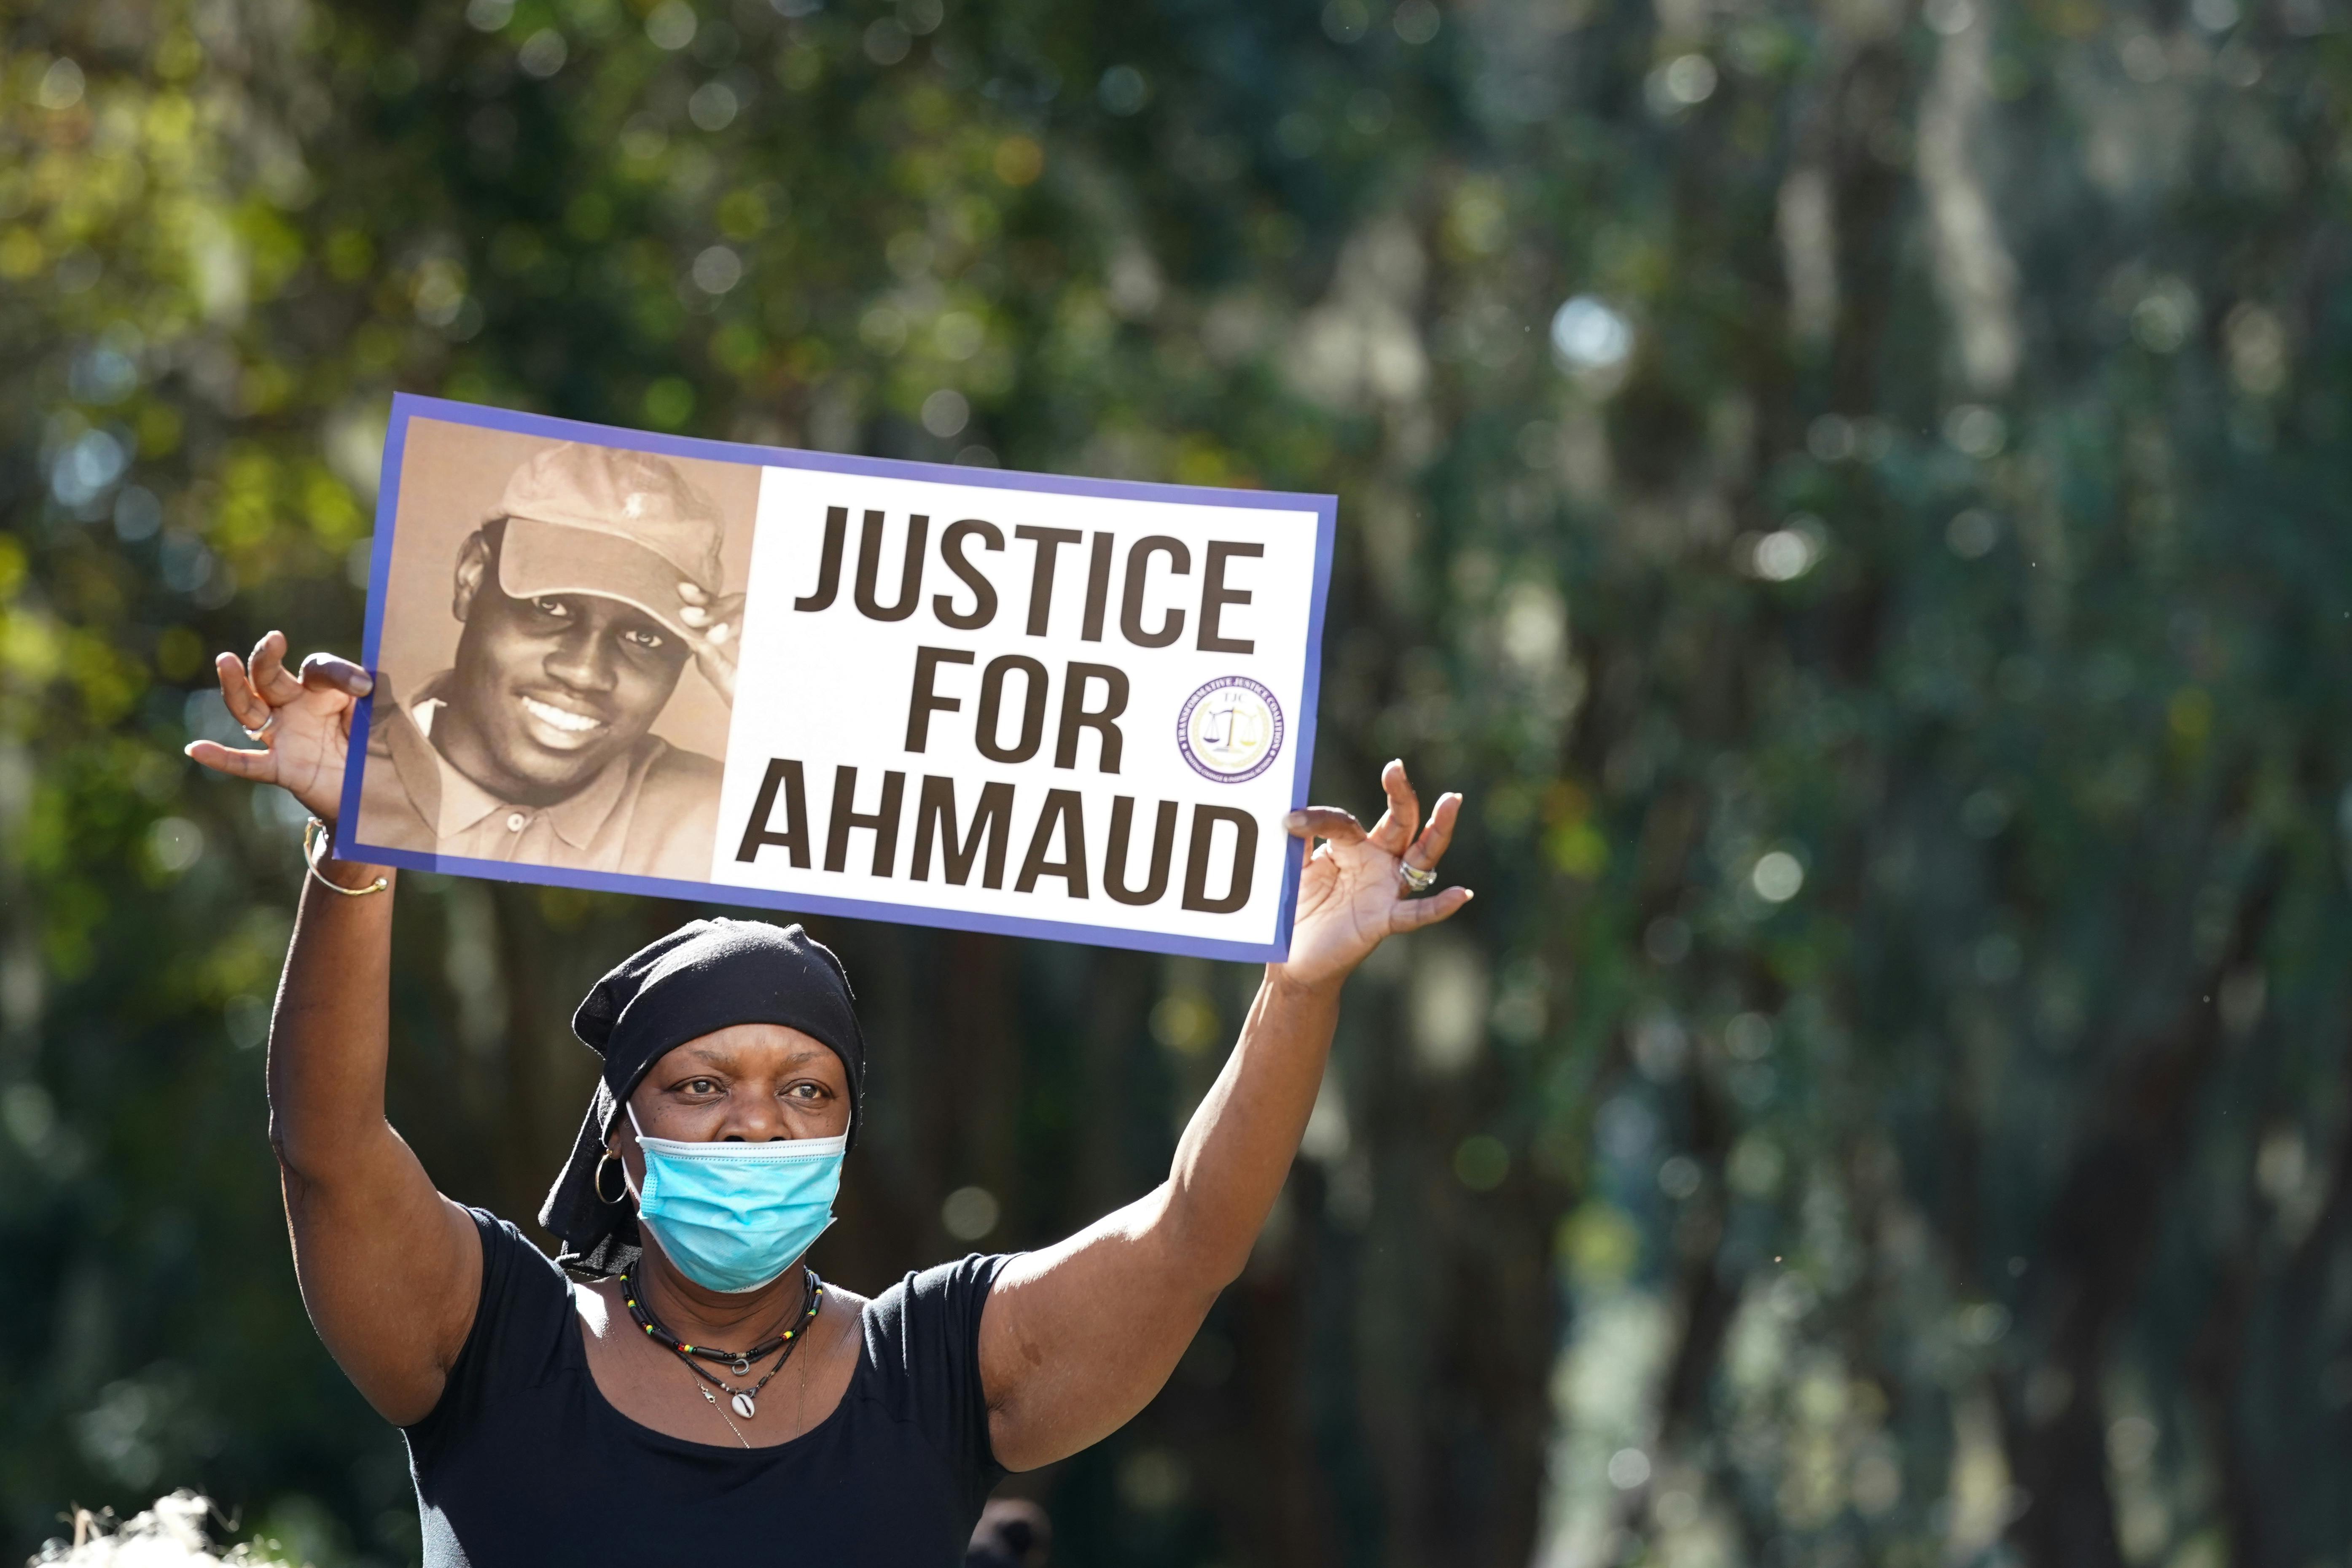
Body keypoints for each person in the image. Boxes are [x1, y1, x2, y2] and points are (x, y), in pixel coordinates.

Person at [185, 629, 1471, 1565]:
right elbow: (331, 1154)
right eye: (700, 1087)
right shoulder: (491, 1340)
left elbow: (1191, 1234)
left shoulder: (939, 1369)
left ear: (847, 1133)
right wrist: (351, 848)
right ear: (624, 1141)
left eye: (803, 1089)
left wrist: (1298, 988)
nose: (755, 1122)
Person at [353, 441, 746, 881]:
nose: (584, 672)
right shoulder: (338, 776)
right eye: (550, 607)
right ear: (471, 577)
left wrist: (792, 718)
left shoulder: (730, 827)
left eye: (643, 636)